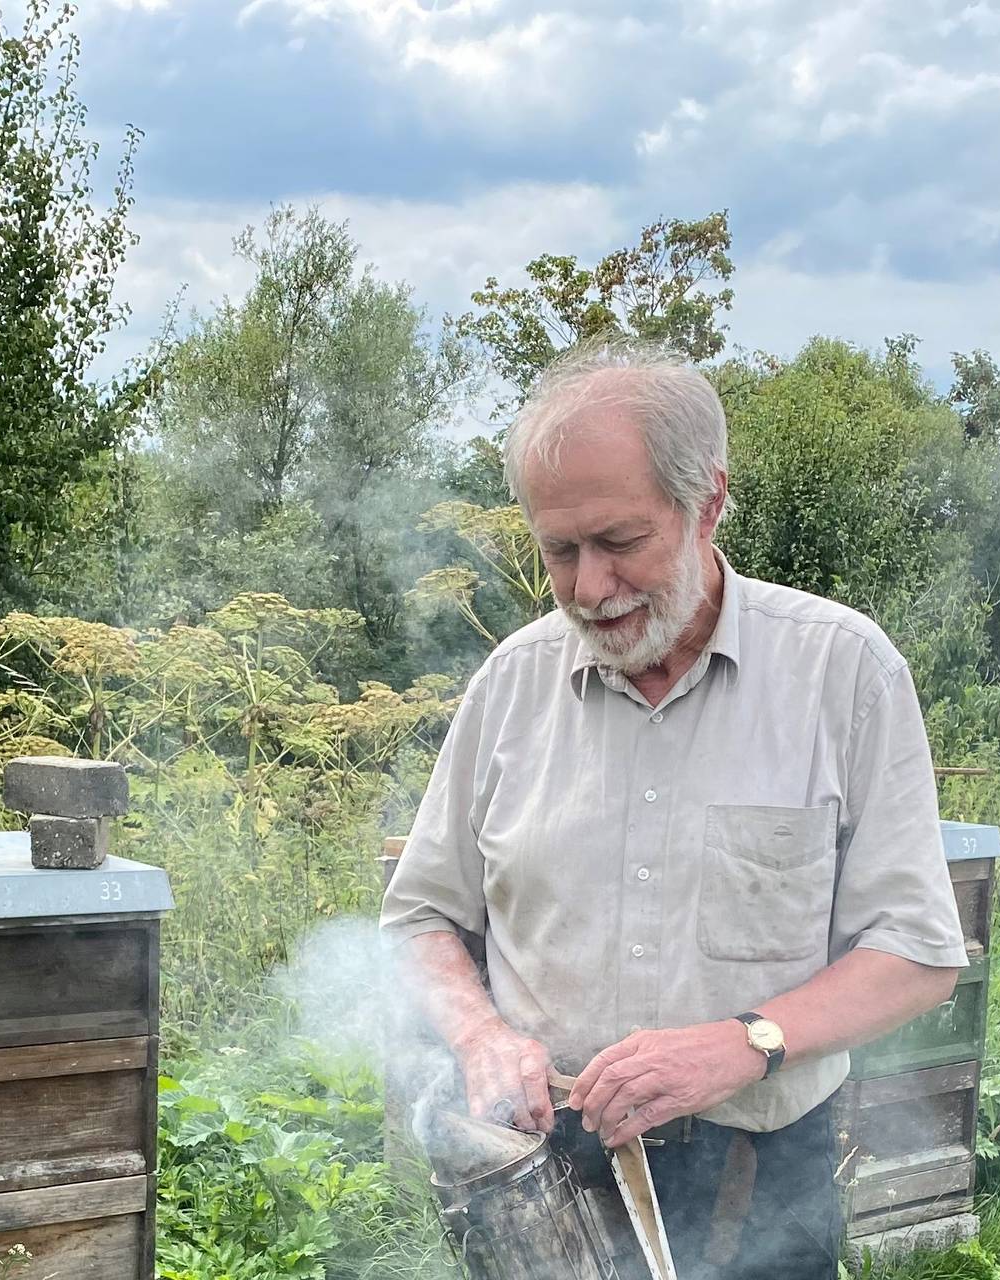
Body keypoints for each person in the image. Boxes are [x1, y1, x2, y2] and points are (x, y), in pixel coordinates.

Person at [380, 342, 969, 1279]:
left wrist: (746, 1043)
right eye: (559, 551)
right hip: (545, 1178)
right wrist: (481, 1035)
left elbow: (916, 954)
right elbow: (419, 917)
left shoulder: (842, 671)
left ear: (710, 505)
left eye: (620, 543)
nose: (588, 588)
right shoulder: (509, 686)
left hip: (761, 1174)